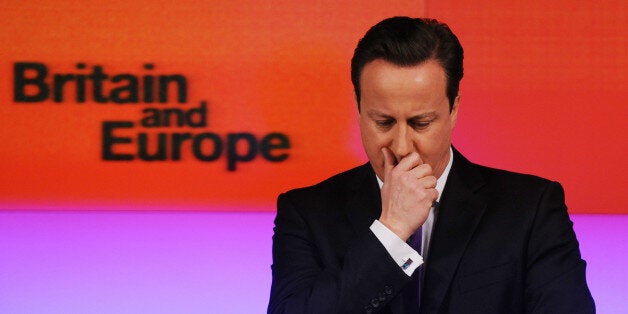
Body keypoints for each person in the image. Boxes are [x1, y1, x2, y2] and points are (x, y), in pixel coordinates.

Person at [268, 16, 594, 314]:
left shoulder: (530, 209)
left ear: (453, 109)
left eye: (421, 123)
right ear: (358, 107)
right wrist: (390, 230)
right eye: (383, 122)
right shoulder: (306, 213)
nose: (400, 145)